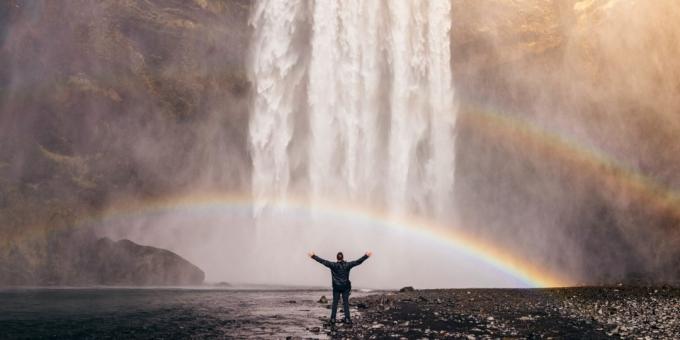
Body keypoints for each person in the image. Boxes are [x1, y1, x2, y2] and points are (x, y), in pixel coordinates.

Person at [308, 250, 372, 325]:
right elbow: (358, 262)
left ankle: (332, 319)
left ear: (337, 258)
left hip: (336, 287)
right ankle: (347, 319)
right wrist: (366, 256)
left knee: (335, 303)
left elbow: (322, 261)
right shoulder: (347, 265)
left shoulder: (333, 265)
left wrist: (313, 256)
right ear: (343, 258)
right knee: (346, 303)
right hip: (345, 287)